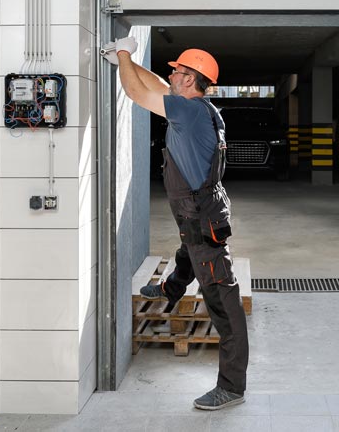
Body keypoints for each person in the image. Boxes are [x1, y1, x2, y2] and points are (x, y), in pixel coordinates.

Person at [103, 37, 249, 411]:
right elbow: (155, 85)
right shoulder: (198, 106)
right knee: (188, 253)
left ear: (189, 79)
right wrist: (126, 61)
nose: (171, 75)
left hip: (201, 217)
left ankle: (231, 386)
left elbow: (137, 93)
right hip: (199, 212)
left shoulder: (188, 112)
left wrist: (123, 57)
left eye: (177, 71)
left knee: (223, 302)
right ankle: (171, 289)